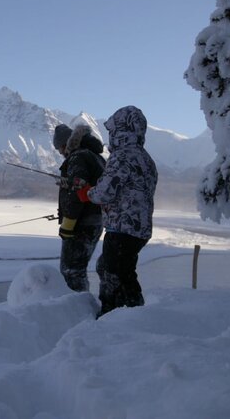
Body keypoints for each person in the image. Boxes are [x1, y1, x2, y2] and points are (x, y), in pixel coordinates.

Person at [75, 106, 158, 316]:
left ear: (121, 130)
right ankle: (130, 313)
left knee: (115, 274)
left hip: (122, 227)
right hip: (139, 228)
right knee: (113, 268)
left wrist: (87, 193)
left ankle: (114, 316)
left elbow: (105, 192)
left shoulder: (122, 156)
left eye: (113, 130)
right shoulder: (146, 159)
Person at [52, 123, 106, 292]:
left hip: (83, 223)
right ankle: (82, 306)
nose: (61, 153)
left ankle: (77, 310)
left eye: (60, 149)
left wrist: (67, 225)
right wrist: (69, 182)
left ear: (65, 144)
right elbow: (88, 185)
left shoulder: (77, 157)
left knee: (71, 271)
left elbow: (79, 191)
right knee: (78, 270)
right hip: (97, 220)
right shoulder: (95, 156)